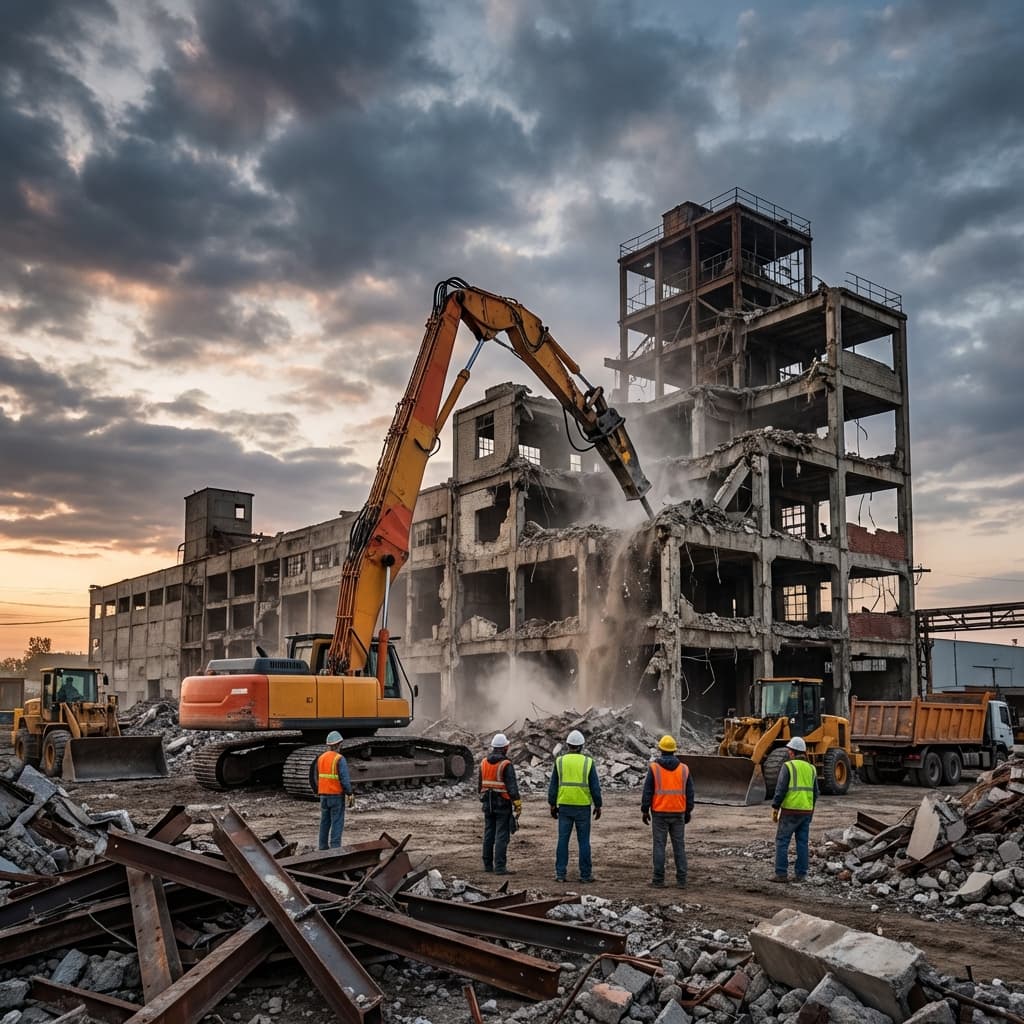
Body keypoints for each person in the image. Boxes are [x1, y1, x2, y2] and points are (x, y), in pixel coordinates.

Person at [548, 729, 602, 883]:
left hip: (564, 806)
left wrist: (552, 804)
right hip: (582, 807)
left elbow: (553, 786)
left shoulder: (560, 761)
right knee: (584, 841)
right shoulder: (588, 762)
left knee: (562, 841)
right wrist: (598, 805)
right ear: (581, 746)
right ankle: (585, 875)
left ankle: (560, 874)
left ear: (568, 745)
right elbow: (595, 787)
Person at [641, 734, 694, 888]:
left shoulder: (654, 768)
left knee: (659, 846)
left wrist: (645, 810)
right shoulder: (684, 769)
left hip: (659, 813)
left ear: (660, 750)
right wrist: (688, 811)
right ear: (674, 750)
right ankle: (682, 881)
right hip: (678, 813)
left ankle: (658, 880)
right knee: (679, 846)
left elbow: (648, 791)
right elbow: (690, 792)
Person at [771, 735, 818, 882]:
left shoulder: (788, 766)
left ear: (792, 752)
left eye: (789, 751)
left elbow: (780, 789)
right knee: (802, 843)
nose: (788, 753)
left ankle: (781, 874)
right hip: (806, 811)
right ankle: (801, 874)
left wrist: (775, 807)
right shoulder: (812, 769)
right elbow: (815, 793)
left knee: (782, 841)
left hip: (790, 811)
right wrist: (811, 810)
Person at [478, 732, 522, 875]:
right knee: (502, 835)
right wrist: (517, 804)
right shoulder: (506, 764)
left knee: (489, 833)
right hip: (502, 804)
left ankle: (487, 865)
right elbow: (512, 787)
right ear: (505, 747)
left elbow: (480, 786)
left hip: (488, 804)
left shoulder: (483, 762)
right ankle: (500, 867)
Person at [317, 731, 353, 850]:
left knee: (324, 822)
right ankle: (335, 848)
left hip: (323, 795)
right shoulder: (339, 759)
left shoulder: (321, 758)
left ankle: (322, 847)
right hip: (336, 795)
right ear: (338, 744)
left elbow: (320, 777)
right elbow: (344, 778)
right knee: (337, 822)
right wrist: (349, 793)